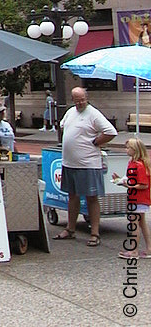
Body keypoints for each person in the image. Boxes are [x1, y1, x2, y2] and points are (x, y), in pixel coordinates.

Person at [54, 86, 117, 246]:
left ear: (86, 98)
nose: (80, 103)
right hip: (69, 163)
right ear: (73, 100)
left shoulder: (93, 114)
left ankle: (95, 233)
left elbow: (111, 132)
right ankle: (70, 229)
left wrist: (96, 142)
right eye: (77, 100)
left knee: (91, 198)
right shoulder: (70, 112)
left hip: (88, 163)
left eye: (82, 99)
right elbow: (62, 126)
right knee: (72, 196)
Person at [113, 138, 151, 259]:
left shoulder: (138, 165)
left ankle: (133, 251)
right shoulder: (134, 163)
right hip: (138, 198)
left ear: (135, 150)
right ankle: (149, 248)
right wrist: (121, 180)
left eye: (128, 148)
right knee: (141, 223)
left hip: (138, 198)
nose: (126, 150)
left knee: (134, 224)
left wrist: (128, 185)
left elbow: (144, 184)